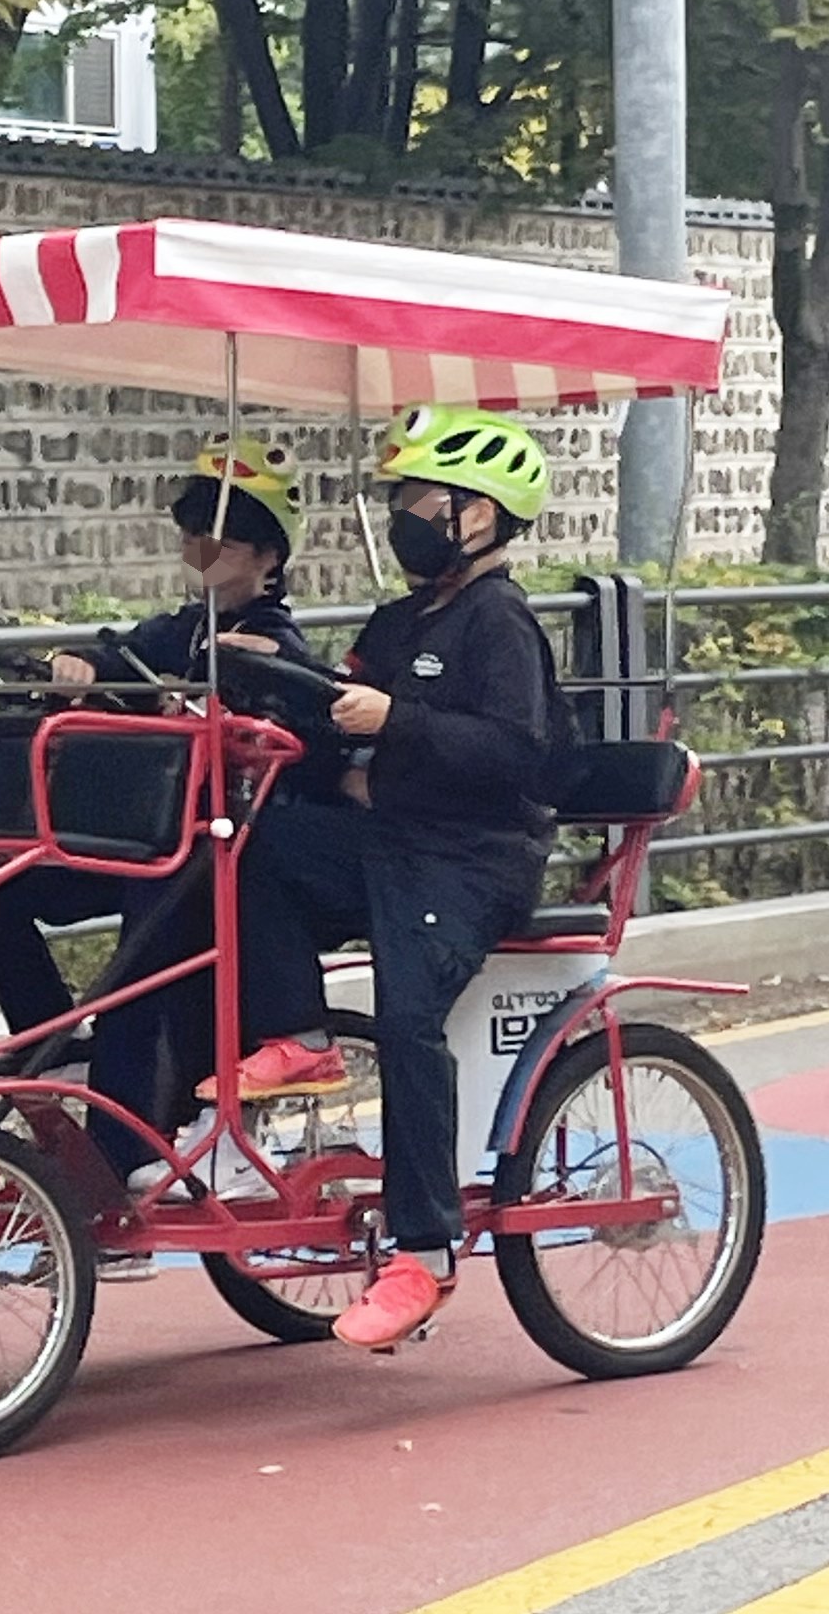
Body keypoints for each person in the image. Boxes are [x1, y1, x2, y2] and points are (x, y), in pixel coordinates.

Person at [203, 404, 560, 1351]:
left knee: (408, 1019)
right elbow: (342, 713)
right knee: (254, 846)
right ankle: (303, 1033)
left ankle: (425, 1252)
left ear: (475, 516)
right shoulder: (400, 619)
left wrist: (394, 724)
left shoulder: (501, 622)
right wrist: (281, 700)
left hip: (472, 859)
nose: (403, 516)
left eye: (419, 501)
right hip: (391, 838)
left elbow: (520, 755)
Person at [0, 435, 317, 1060]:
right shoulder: (178, 629)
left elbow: (278, 729)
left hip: (207, 852)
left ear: (268, 557)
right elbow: (116, 657)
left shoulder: (274, 644)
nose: (198, 549)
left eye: (221, 539)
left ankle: (126, 1137)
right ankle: (46, 1038)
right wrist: (75, 666)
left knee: (136, 983)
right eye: (190, 533)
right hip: (142, 833)